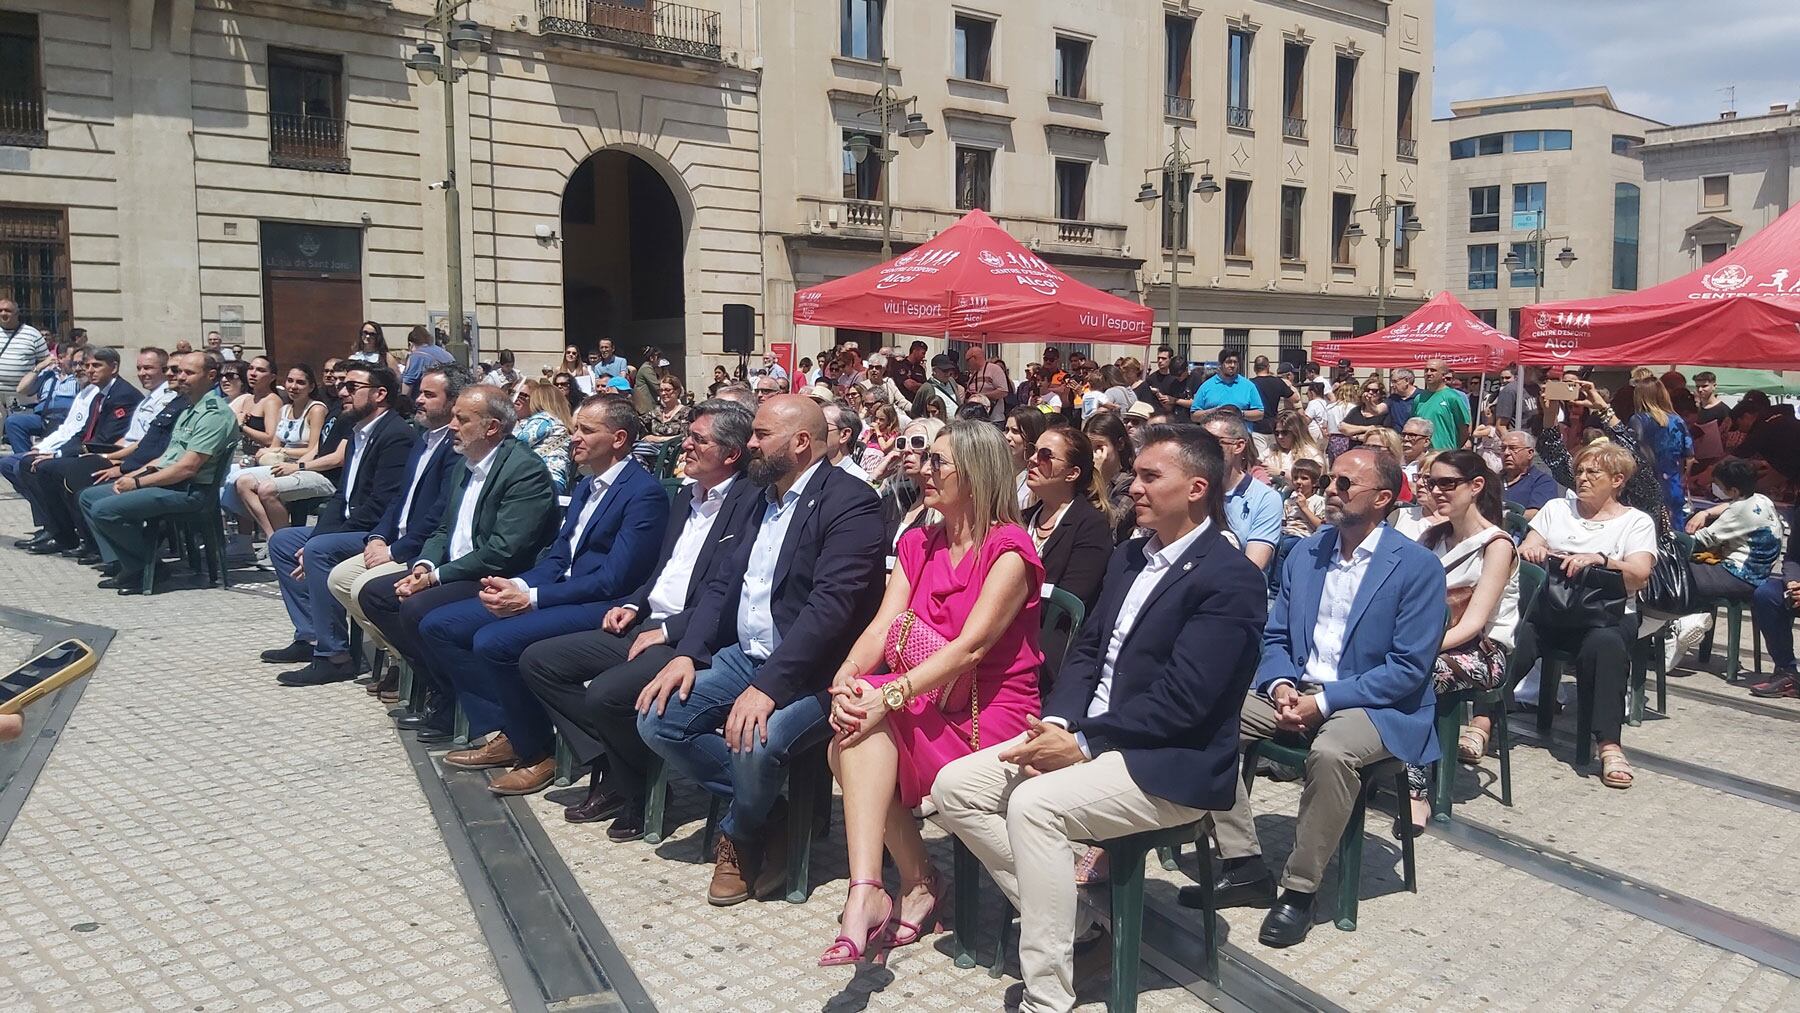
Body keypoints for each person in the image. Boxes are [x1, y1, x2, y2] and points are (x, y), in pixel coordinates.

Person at [936, 424, 1267, 1007]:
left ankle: (1048, 995)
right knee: (955, 786)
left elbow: (1187, 700)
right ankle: (1085, 920)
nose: (1130, 486)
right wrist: (1062, 724)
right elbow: (1087, 650)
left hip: (1169, 761)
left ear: (1196, 488)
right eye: (1133, 474)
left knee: (1033, 806)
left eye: (1148, 476)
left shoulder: (1231, 578)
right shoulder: (1129, 556)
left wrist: (1084, 742)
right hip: (1093, 736)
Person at [635, 394, 884, 905]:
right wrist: (690, 652)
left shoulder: (852, 503)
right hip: (743, 655)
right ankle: (771, 814)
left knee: (755, 740)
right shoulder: (758, 497)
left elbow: (830, 609)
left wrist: (767, 689)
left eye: (760, 434)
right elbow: (725, 585)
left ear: (800, 443)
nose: (749, 442)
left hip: (818, 672)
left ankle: (741, 835)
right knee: (656, 717)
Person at [820, 421, 1043, 965]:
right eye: (924, 459)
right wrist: (847, 679)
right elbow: (883, 624)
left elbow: (970, 651)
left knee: (854, 736)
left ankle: (907, 885)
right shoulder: (920, 538)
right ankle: (872, 885)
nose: (923, 469)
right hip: (929, 694)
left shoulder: (1008, 549)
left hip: (989, 711)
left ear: (976, 470)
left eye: (938, 461)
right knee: (850, 729)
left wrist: (885, 697)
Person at [1204, 448, 1446, 947]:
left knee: (1332, 753)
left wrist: (1325, 701)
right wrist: (1281, 685)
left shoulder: (1416, 567)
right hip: (1297, 689)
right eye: (1329, 481)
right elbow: (1276, 638)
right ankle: (1244, 862)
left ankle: (1299, 890)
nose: (1328, 491)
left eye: (1342, 484)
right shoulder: (1307, 553)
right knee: (1206, 717)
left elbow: (1407, 669)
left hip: (1375, 703)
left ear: (1382, 499)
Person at [520, 400, 762, 835]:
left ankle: (640, 790)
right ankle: (616, 766)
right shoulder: (686, 496)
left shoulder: (749, 505)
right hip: (648, 621)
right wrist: (634, 603)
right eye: (688, 436)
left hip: (692, 636)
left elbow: (725, 596)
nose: (683, 445)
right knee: (540, 661)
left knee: (608, 696)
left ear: (731, 454)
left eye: (698, 440)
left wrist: (669, 631)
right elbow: (662, 570)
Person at [420, 397, 670, 795]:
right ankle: (510, 729)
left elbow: (613, 579)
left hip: (603, 606)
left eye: (587, 430)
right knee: (441, 625)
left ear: (619, 438)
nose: (574, 438)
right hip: (561, 592)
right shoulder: (588, 485)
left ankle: (540, 750)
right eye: (575, 428)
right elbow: (559, 557)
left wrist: (532, 599)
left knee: (493, 641)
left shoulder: (643, 494)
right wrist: (517, 585)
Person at [357, 387, 563, 739]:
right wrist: (423, 566)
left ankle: (483, 713)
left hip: (497, 576)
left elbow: (503, 550)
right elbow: (443, 528)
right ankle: (445, 686)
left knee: (418, 608)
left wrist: (435, 577)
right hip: (455, 569)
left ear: (492, 427)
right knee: (377, 594)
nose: (452, 425)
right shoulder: (465, 465)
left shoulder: (523, 471)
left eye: (462, 419)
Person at [262, 364, 421, 685]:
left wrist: (319, 543)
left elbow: (382, 505)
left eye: (352, 387)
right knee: (283, 541)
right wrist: (314, 538)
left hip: (377, 533)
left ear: (380, 394)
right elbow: (341, 498)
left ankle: (334, 655)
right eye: (342, 386)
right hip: (351, 526)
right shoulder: (358, 433)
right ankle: (309, 636)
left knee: (320, 549)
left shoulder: (395, 436)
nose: (342, 393)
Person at [1513, 441, 1658, 789]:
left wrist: (1603, 560)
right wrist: (1532, 547)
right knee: (1519, 633)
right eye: (1579, 471)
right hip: (1555, 609)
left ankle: (1608, 744)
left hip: (1606, 615)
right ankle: (1484, 722)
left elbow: (1639, 574)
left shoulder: (1636, 522)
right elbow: (1528, 546)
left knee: (1605, 645)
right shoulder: (1556, 509)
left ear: (1618, 479)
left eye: (1593, 472)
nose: (1582, 478)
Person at [325, 366, 463, 696]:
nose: (419, 400)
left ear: (453, 401)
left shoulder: (453, 448)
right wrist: (377, 536)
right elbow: (398, 499)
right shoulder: (422, 439)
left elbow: (439, 513)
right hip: (393, 539)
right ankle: (402, 659)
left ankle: (418, 669)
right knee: (339, 578)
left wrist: (395, 551)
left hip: (418, 548)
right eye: (419, 393)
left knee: (363, 586)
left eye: (430, 395)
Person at [1400, 451, 1519, 831]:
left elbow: (1474, 624)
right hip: (1430, 641)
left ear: (1476, 486)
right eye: (1431, 483)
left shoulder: (1496, 545)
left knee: (1412, 675)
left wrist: (1416, 652)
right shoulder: (1431, 536)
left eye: (1447, 484)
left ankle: (1415, 792)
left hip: (1480, 652)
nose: (1436, 491)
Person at [83, 352, 241, 593]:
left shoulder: (213, 414)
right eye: (180, 372)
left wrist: (138, 484)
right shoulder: (189, 409)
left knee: (105, 510)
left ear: (210, 376)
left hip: (191, 490)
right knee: (89, 497)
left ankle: (148, 568)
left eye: (189, 372)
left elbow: (187, 467)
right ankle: (131, 565)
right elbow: (167, 457)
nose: (181, 377)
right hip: (171, 483)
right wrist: (133, 475)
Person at [21, 348, 181, 558]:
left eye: (149, 368)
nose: (142, 373)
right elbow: (127, 438)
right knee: (35, 465)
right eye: (139, 368)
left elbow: (144, 444)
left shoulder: (151, 398)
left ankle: (92, 542)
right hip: (122, 454)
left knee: (65, 472)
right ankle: (62, 532)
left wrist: (107, 459)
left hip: (134, 461)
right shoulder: (146, 398)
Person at [6, 348, 140, 552]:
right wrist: (52, 452)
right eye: (88, 366)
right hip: (91, 451)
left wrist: (59, 455)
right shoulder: (100, 394)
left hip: (108, 455)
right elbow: (81, 432)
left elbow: (104, 439)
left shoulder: (122, 395)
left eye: (97, 366)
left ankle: (82, 537)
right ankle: (58, 531)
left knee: (47, 468)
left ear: (114, 368)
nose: (90, 370)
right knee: (30, 463)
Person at [1666, 457, 1784, 669]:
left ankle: (1680, 625)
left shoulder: (1739, 512)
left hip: (1738, 575)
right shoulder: (1762, 500)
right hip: (1757, 574)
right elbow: (1730, 506)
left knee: (1672, 573)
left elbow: (1698, 542)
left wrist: (1665, 534)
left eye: (1719, 486)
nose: (1716, 489)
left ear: (1734, 490)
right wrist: (1706, 511)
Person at [1023, 425, 1115, 688]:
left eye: (1045, 455)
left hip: (1048, 657)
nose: (1032, 460)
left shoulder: (1091, 527)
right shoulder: (1019, 521)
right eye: (1032, 452)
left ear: (1072, 473)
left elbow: (1068, 602)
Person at [229, 365, 333, 541]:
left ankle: (281, 539)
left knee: (246, 482)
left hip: (302, 464)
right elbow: (275, 443)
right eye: (290, 381)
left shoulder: (316, 410)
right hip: (280, 462)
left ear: (311, 387)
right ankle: (272, 536)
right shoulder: (284, 410)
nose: (294, 386)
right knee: (239, 480)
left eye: (300, 382)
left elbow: (314, 448)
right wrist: (264, 452)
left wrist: (283, 453)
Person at [1200, 412, 1281, 572]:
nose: (1204, 449)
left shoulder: (1266, 498)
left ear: (1238, 446)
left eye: (1215, 442)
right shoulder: (1192, 491)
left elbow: (1252, 568)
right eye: (1201, 442)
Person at [1630, 376, 1694, 531]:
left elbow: (1631, 450)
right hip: (1673, 484)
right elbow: (1690, 456)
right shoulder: (1678, 420)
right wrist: (1683, 478)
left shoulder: (1638, 420)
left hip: (1646, 485)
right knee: (1674, 534)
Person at [513, 379, 575, 493]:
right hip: (557, 480)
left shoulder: (544, 418)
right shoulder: (559, 422)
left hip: (541, 481)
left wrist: (512, 421)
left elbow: (518, 442)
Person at [1083, 412, 1136, 539]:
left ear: (1120, 444)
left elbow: (1110, 524)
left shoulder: (1129, 484)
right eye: (1089, 448)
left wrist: (1097, 477)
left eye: (1099, 447)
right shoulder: (1083, 479)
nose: (1093, 454)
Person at [1499, 429, 1562, 518]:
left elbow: (1536, 514)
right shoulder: (1492, 480)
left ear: (1530, 453)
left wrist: (1503, 516)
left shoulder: (1543, 482)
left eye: (1513, 448)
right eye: (1503, 448)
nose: (1506, 453)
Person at [1193, 349, 1265, 423]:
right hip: (1213, 433)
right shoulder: (1206, 386)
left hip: (1240, 433)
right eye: (1228, 362)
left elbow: (1260, 413)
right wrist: (1214, 412)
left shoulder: (1249, 386)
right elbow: (1194, 415)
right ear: (1220, 364)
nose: (1232, 365)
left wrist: (1240, 413)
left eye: (1235, 362)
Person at [1413, 358, 1470, 451]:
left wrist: (1453, 450)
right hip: (1423, 455)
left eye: (1433, 370)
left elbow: (1464, 430)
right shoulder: (1419, 398)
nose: (1428, 373)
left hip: (1444, 454)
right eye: (1426, 370)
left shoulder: (1453, 397)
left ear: (1443, 375)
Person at [0, 299, 49, 399]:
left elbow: (45, 362)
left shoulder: (33, 334)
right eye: (0, 310)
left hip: (22, 397)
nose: (3, 313)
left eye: (7, 310)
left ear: (17, 313)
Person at [1248, 356, 1295, 449]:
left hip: (1256, 427)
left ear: (1254, 368)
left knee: (1259, 459)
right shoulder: (1278, 382)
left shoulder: (1250, 384)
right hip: (1274, 428)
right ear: (1268, 367)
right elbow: (1295, 398)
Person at [400, 324, 454, 395]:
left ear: (410, 344)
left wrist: (402, 403)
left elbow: (408, 383)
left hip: (429, 398)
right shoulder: (444, 352)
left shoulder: (417, 356)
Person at [823, 402, 869, 482]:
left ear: (844, 435)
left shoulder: (861, 483)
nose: (814, 431)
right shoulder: (803, 473)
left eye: (823, 425)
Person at [642, 374, 692, 447]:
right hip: (652, 451)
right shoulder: (656, 411)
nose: (663, 393)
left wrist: (657, 439)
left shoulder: (686, 412)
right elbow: (640, 423)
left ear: (677, 391)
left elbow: (685, 437)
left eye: (667, 390)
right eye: (661, 390)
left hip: (674, 453)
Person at [962, 347, 1009, 422]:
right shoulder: (974, 373)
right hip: (977, 420)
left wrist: (981, 396)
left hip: (994, 419)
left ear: (974, 358)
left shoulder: (994, 369)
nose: (967, 363)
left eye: (968, 360)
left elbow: (1003, 391)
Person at [913, 354, 962, 419]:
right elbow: (915, 412)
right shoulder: (926, 388)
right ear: (934, 370)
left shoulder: (952, 382)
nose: (948, 373)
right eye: (944, 371)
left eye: (949, 370)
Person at [631, 346, 661, 414]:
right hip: (645, 407)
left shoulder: (649, 368)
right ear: (651, 358)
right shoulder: (646, 368)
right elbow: (657, 387)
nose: (659, 360)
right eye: (658, 357)